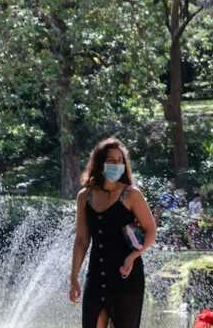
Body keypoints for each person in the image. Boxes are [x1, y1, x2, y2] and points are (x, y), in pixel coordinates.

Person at [69, 137, 157, 328]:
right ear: (100, 163)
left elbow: (151, 231)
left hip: (126, 276)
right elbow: (82, 240)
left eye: (120, 161)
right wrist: (74, 277)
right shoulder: (85, 196)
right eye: (111, 160)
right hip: (96, 276)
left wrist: (133, 256)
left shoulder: (131, 194)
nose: (117, 165)